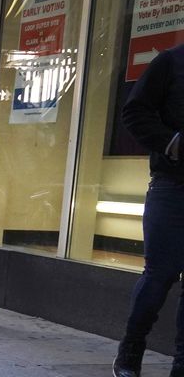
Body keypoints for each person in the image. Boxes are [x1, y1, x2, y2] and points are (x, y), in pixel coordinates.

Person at [113, 43, 184, 377]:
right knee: (160, 274)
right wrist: (172, 143)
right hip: (172, 186)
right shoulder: (171, 62)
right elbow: (134, 112)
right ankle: (131, 347)